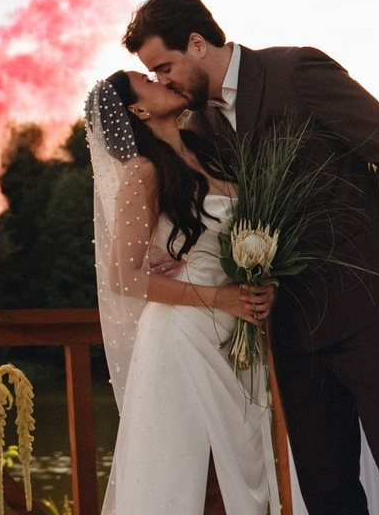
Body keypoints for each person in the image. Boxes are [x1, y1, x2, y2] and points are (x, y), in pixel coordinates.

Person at [122, 0, 379, 515]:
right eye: (154, 76)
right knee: (325, 488)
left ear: (197, 43)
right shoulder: (202, 128)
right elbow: (207, 207)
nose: (164, 81)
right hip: (290, 324)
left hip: (366, 304)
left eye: (165, 67)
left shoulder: (295, 71)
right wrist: (172, 249)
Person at [87, 68, 278, 515]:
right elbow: (123, 277)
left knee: (239, 471)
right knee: (194, 478)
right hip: (181, 338)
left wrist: (258, 283)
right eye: (149, 83)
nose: (165, 83)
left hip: (236, 339)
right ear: (138, 109)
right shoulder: (143, 172)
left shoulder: (207, 153)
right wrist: (222, 298)